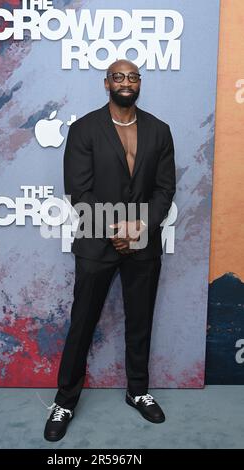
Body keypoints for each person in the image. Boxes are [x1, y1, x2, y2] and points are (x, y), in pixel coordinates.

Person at [44, 59, 176, 442]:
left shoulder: (159, 131)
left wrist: (140, 228)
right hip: (95, 243)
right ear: (106, 84)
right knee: (82, 323)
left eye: (133, 77)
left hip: (143, 242)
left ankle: (138, 391)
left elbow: (164, 189)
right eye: (118, 76)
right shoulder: (85, 128)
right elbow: (78, 190)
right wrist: (114, 231)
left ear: (139, 84)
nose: (126, 82)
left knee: (140, 322)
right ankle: (65, 400)